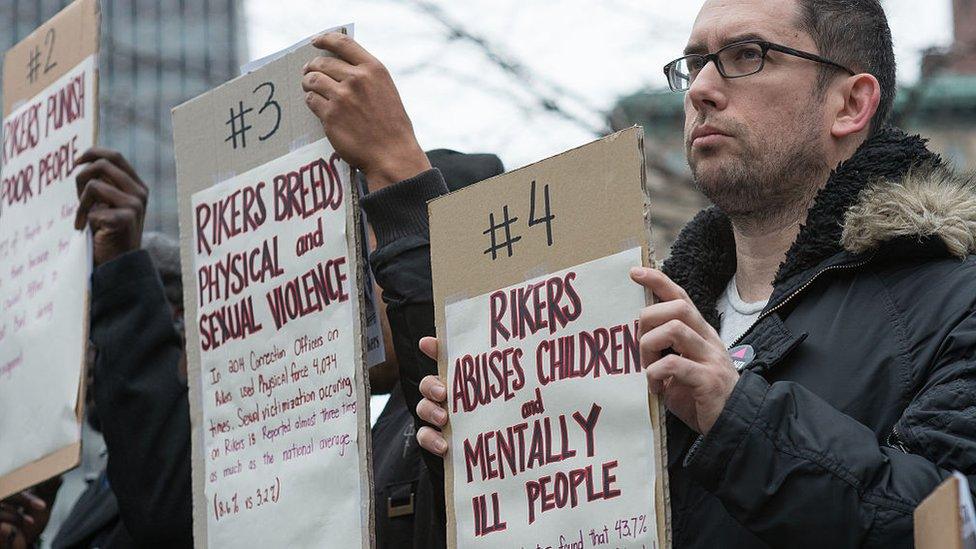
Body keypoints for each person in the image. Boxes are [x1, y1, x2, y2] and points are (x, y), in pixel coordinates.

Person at [301, 0, 976, 547]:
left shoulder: (954, 302)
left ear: (851, 104)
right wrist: (488, 474)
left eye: (747, 56)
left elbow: (935, 519)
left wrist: (731, 412)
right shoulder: (622, 319)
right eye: (694, 64)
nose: (704, 89)